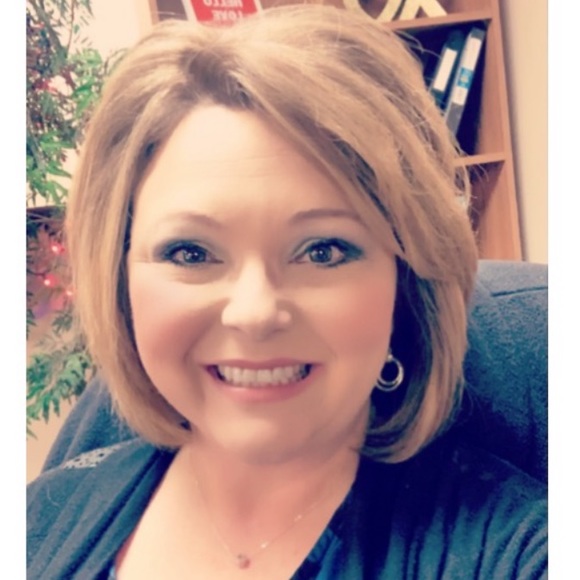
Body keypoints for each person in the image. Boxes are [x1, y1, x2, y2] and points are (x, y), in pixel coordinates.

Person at [27, 5, 547, 579]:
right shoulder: (40, 518)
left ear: (404, 280)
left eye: (322, 251)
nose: (254, 313)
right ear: (122, 278)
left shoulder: (518, 551)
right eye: (191, 253)